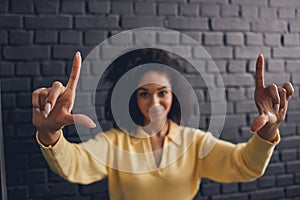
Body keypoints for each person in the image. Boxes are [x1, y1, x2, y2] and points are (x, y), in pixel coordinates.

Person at [32, 51, 294, 200]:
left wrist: (267, 131)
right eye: (144, 93)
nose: (154, 102)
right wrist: (50, 133)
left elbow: (244, 165)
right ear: (134, 98)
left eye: (162, 92)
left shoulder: (194, 142)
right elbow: (74, 165)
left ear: (173, 96)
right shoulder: (115, 143)